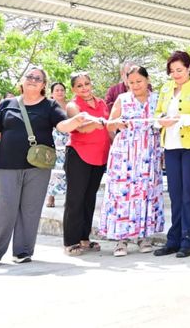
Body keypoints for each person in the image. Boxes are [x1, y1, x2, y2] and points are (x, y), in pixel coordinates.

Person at [0, 67, 91, 267]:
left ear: (44, 85)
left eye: (38, 78)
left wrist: (75, 121)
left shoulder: (50, 106)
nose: (33, 80)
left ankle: (23, 251)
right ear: (22, 80)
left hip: (38, 167)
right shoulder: (6, 105)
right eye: (30, 76)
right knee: (6, 207)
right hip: (7, 165)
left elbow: (62, 126)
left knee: (30, 209)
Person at [100, 66, 164, 257]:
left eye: (139, 81)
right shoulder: (122, 99)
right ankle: (121, 240)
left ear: (147, 80)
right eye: (132, 82)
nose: (136, 85)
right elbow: (109, 125)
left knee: (146, 192)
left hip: (149, 152)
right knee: (123, 194)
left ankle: (144, 236)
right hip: (125, 153)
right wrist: (118, 124)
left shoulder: (158, 98)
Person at [153, 51, 190, 258]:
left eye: (179, 70)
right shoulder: (166, 88)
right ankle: (173, 239)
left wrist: (182, 118)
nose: (176, 74)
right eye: (172, 71)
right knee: (175, 194)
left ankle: (188, 239)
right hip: (171, 145)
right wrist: (162, 120)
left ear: (189, 68)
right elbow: (158, 112)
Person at [62, 72, 111, 256]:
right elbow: (80, 127)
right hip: (79, 155)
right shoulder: (73, 105)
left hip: (100, 156)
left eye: (87, 84)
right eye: (80, 85)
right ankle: (70, 241)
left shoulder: (102, 103)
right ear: (74, 89)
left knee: (90, 198)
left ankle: (84, 238)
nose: (85, 88)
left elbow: (108, 127)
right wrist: (96, 124)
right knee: (75, 199)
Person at [46, 83, 69, 207]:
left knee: (69, 168)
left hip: (70, 140)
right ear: (52, 93)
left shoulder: (70, 106)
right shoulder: (49, 106)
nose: (60, 92)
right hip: (54, 140)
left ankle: (68, 197)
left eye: (62, 90)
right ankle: (51, 196)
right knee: (55, 169)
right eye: (57, 90)